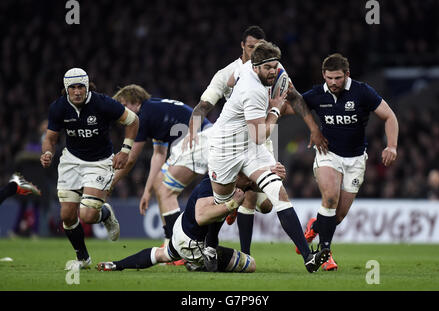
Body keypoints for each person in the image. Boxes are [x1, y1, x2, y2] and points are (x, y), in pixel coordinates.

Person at [187, 25, 328, 256]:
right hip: (229, 145)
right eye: (251, 47)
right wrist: (273, 110)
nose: (273, 71)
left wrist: (313, 127)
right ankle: (213, 246)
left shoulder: (271, 67)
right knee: (226, 202)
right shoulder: (238, 79)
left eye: (274, 65)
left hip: (255, 142)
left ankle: (307, 256)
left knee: (270, 200)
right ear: (244, 48)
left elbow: (292, 97)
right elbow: (207, 104)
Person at [297, 53, 399, 271]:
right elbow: (295, 105)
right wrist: (312, 128)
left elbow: (390, 116)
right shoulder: (316, 94)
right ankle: (325, 252)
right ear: (323, 75)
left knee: (338, 215)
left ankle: (316, 226)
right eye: (329, 78)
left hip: (355, 159)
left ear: (347, 75)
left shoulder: (362, 92)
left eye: (338, 78)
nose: (333, 83)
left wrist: (391, 146)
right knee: (331, 198)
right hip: (328, 153)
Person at [96, 165, 286, 273]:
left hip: (181, 231)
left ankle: (116, 265)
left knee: (162, 254)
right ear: (238, 175)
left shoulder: (228, 182)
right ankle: (196, 264)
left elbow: (263, 198)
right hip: (193, 243)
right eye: (249, 176)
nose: (253, 179)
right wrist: (231, 206)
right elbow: (202, 217)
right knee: (250, 265)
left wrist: (274, 176)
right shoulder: (218, 189)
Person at [40, 68, 139, 270]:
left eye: (81, 87)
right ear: (66, 90)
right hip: (72, 160)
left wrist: (125, 150)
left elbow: (133, 121)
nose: (77, 91)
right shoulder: (58, 108)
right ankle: (83, 258)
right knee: (67, 216)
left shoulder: (102, 103)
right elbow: (50, 138)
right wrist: (48, 152)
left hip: (100, 162)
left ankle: (105, 214)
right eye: (73, 88)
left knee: (87, 216)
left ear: (87, 87)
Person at [110, 84, 211, 249]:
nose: (121, 113)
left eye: (124, 106)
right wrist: (147, 192)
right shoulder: (155, 112)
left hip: (199, 140)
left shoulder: (142, 117)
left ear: (135, 102)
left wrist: (111, 183)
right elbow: (158, 155)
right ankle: (169, 241)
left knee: (165, 190)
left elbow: (130, 159)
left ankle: (178, 245)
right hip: (204, 138)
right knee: (160, 183)